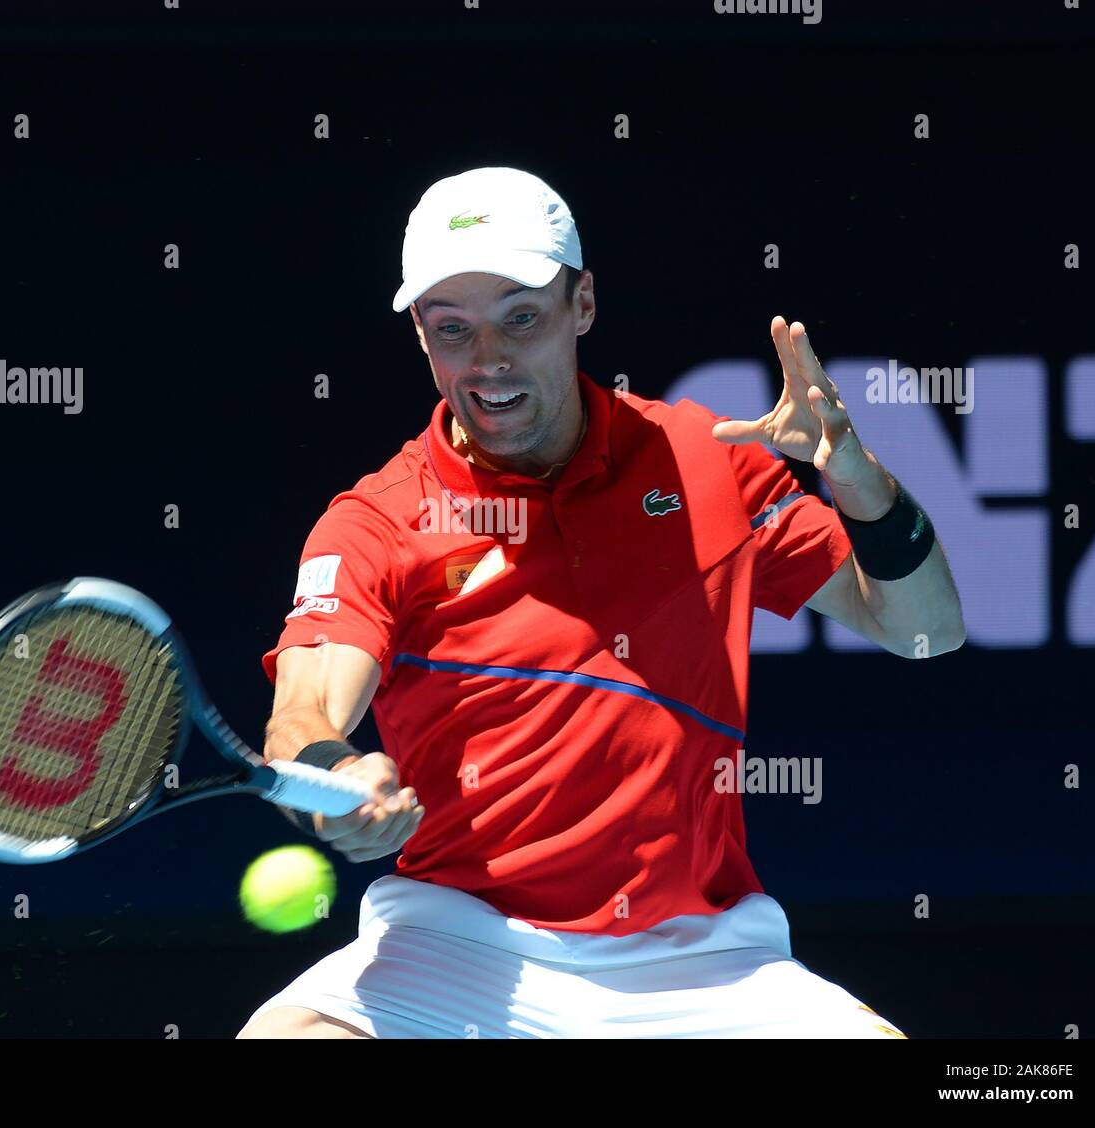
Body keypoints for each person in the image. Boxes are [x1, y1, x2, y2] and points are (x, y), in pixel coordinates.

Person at [237, 166, 965, 1039]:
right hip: (462, 940)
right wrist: (338, 778)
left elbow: (926, 633)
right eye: (452, 331)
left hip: (704, 957)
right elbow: (305, 713)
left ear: (582, 305)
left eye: (520, 317)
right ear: (422, 339)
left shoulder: (706, 460)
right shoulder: (377, 521)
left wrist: (856, 479)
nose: (489, 360)